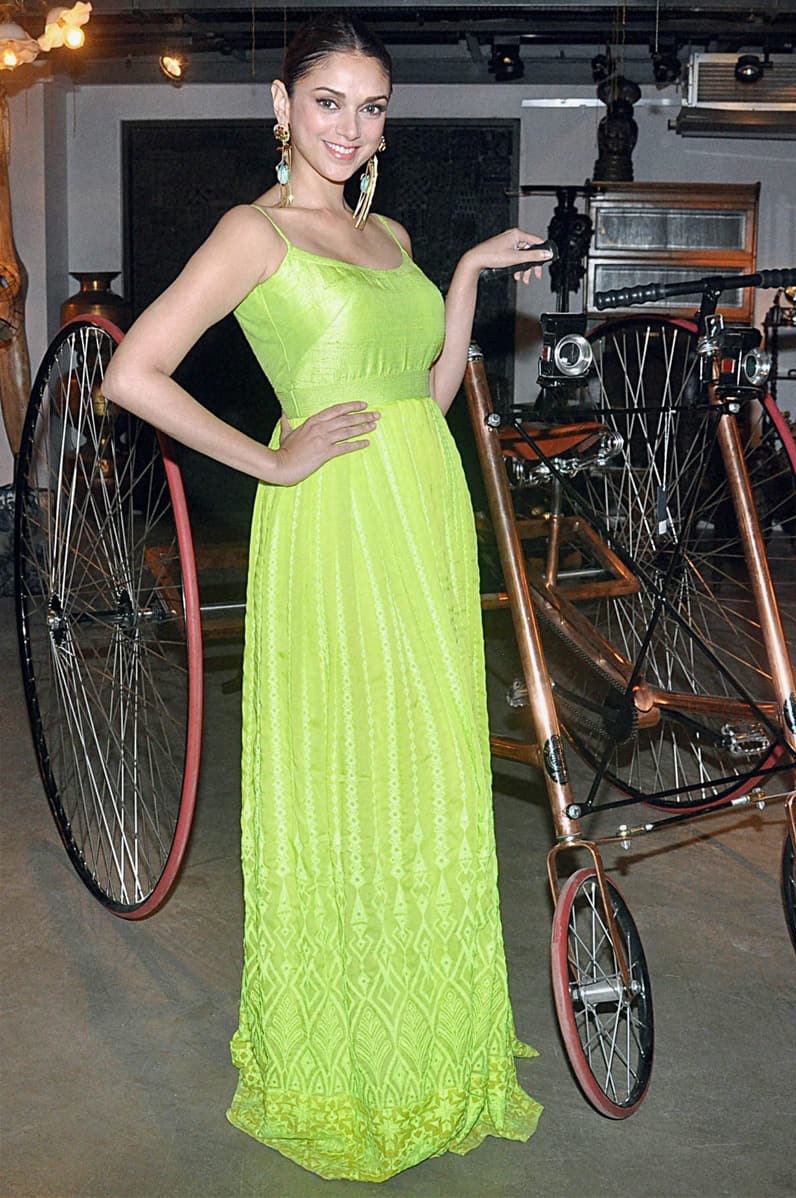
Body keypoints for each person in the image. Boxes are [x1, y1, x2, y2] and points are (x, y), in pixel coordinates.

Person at [102, 13, 550, 1183]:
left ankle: (434, 1052)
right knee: (351, 763)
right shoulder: (252, 234)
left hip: (426, 520)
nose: (351, 128)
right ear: (280, 107)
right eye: (328, 102)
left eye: (371, 106)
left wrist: (456, 280)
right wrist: (270, 459)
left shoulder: (390, 233)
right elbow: (132, 373)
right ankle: (345, 1059)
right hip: (335, 527)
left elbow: (430, 389)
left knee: (435, 762)